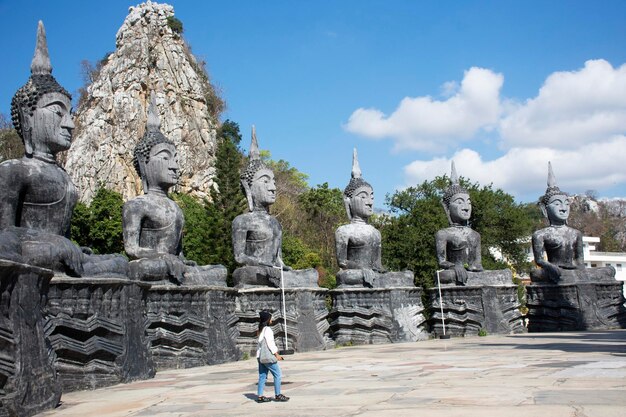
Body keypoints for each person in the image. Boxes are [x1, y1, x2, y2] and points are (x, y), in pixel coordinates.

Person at [122, 94, 226, 285]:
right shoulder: (136, 205)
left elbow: (177, 251)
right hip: (152, 266)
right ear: (144, 164)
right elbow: (132, 249)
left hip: (174, 265)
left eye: (175, 159)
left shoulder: (175, 207)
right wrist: (162, 257)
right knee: (134, 267)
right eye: (165, 157)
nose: (174, 166)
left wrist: (182, 260)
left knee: (220, 272)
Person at [335, 149, 413, 287]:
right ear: (349, 201)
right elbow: (342, 262)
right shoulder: (344, 231)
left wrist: (383, 271)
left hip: (372, 273)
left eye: (372, 197)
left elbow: (377, 264)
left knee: (407, 276)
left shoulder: (375, 232)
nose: (370, 201)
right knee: (345, 276)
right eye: (363, 197)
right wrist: (361, 268)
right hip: (354, 274)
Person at [256, 311, 289, 403]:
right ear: (267, 319)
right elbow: (270, 343)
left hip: (259, 356)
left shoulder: (260, 330)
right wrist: (276, 354)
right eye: (271, 318)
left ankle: (260, 396)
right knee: (277, 374)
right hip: (267, 357)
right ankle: (278, 395)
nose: (272, 319)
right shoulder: (268, 330)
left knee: (262, 376)